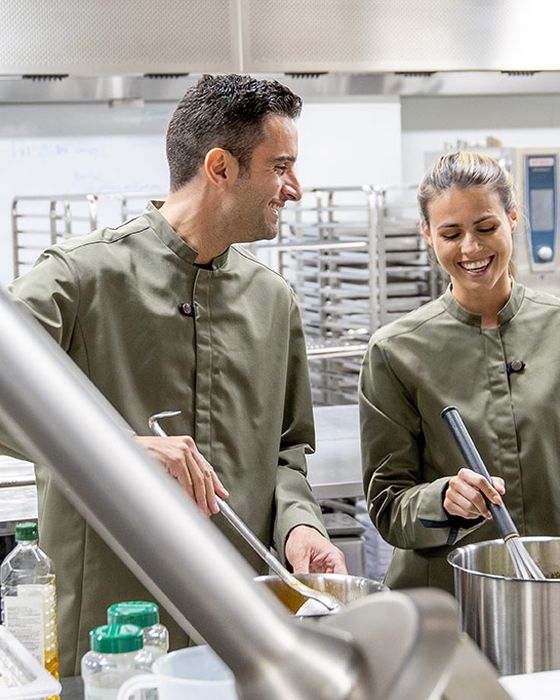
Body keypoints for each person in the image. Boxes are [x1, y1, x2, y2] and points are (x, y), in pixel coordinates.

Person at [0, 74, 346, 675]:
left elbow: (287, 453)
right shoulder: (81, 278)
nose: (295, 188)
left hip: (239, 629)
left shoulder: (273, 301)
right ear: (220, 167)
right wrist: (118, 451)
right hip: (109, 639)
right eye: (281, 166)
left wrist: (299, 528)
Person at [359, 150, 560, 594]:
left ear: (512, 219)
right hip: (447, 602)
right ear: (427, 235)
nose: (471, 248)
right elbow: (388, 505)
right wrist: (443, 498)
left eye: (486, 227)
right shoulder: (396, 351)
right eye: (451, 233)